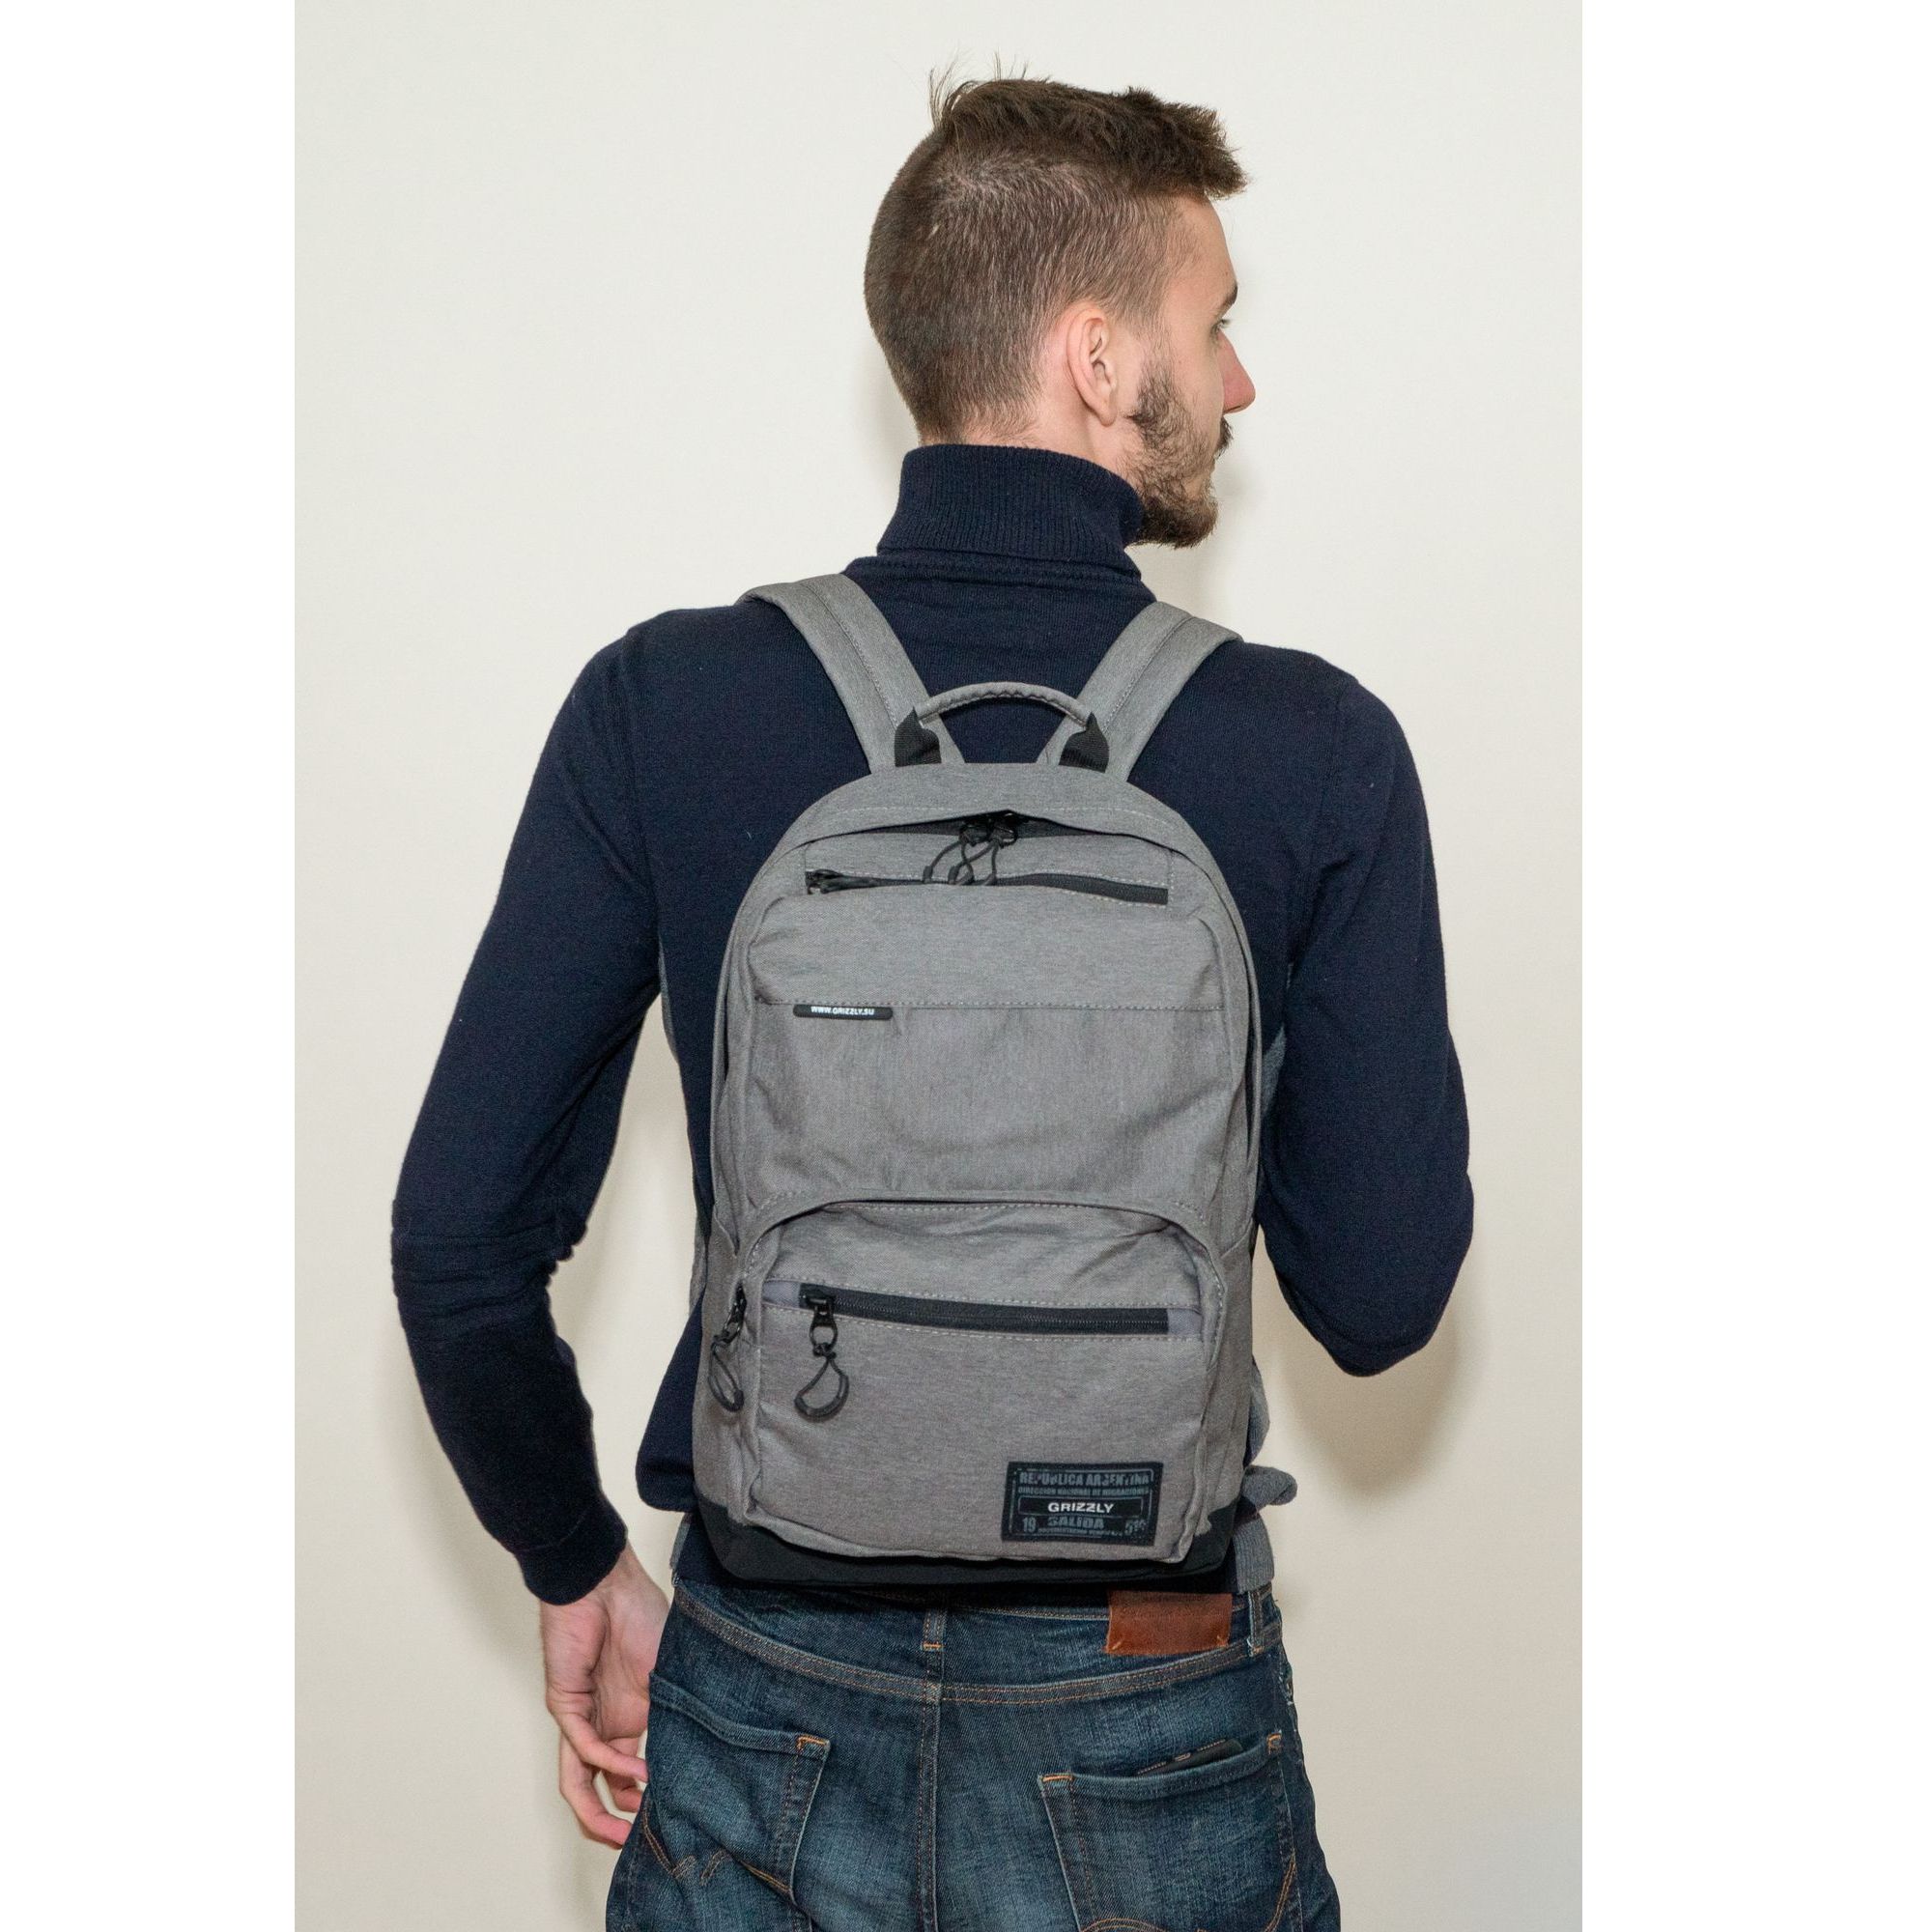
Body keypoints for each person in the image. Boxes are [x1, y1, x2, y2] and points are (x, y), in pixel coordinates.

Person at [392, 74, 1472, 1932]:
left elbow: (458, 1245)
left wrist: (575, 1563)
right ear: (1095, 355)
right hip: (1149, 1678)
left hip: (759, 1686)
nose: (1236, 382)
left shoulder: (665, 705)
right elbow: (1380, 1304)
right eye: (1212, 323)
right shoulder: (1315, 750)